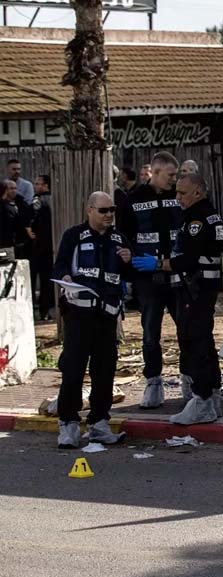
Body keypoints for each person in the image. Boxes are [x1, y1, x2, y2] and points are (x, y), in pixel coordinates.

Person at [133, 173, 223, 424]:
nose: (178, 198)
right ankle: (211, 398)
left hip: (194, 289)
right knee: (203, 342)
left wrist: (159, 263)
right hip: (200, 289)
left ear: (197, 192)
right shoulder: (206, 214)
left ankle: (202, 400)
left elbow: (189, 258)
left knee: (193, 342)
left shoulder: (197, 219)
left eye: (182, 193)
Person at [53, 191, 131, 448]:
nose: (109, 215)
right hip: (79, 313)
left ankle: (99, 422)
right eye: (103, 210)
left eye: (112, 210)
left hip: (107, 315)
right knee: (74, 368)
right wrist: (65, 277)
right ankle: (68, 423)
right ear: (89, 211)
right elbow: (60, 265)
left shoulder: (119, 238)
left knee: (105, 370)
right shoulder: (74, 236)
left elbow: (128, 274)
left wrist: (128, 260)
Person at [120, 151, 182, 409]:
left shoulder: (179, 195)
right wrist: (129, 273)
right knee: (150, 334)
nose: (174, 180)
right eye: (170, 175)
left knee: (187, 330)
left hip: (178, 275)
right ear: (155, 173)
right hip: (148, 278)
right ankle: (153, 383)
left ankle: (190, 381)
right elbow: (124, 236)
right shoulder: (133, 200)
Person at [31, 174, 54, 320]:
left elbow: (32, 221)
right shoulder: (55, 199)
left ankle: (43, 310)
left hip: (40, 246)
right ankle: (48, 309)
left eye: (39, 184)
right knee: (49, 280)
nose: (36, 186)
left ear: (46, 185)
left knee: (41, 280)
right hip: (53, 245)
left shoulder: (38, 201)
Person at [0, 180, 18, 248]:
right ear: (6, 191)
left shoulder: (16, 204)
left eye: (15, 188)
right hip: (7, 244)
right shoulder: (9, 208)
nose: (14, 191)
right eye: (11, 188)